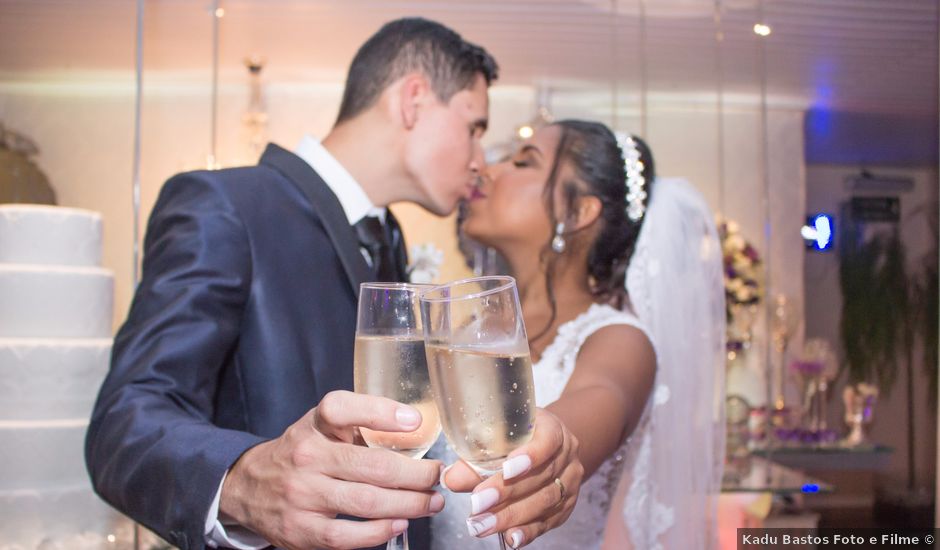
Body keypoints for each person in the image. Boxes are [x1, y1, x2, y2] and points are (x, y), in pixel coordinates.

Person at [86, 18, 582, 550]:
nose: (480, 161)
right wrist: (243, 480)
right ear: (414, 99)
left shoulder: (389, 238)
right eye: (474, 127)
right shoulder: (226, 206)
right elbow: (126, 419)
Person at [437, 121, 726, 548]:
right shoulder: (468, 332)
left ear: (579, 213)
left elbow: (597, 399)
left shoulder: (621, 340)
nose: (489, 170)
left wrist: (556, 445)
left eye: (523, 161)